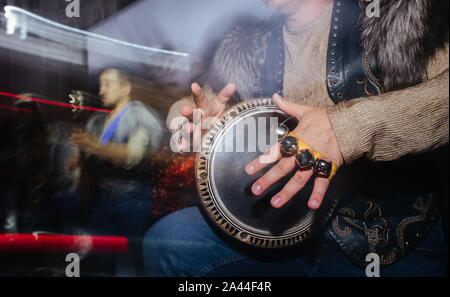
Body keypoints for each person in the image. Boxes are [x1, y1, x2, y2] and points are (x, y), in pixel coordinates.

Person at [143, 0, 448, 276]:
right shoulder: (248, 44)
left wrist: (347, 129)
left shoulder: (396, 18)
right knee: (171, 241)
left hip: (382, 244)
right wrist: (187, 121)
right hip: (281, 236)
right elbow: (195, 103)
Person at [70, 67, 164, 276]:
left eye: (108, 84)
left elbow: (132, 157)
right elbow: (99, 153)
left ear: (125, 88)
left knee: (138, 258)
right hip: (104, 199)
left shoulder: (140, 116)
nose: (101, 91)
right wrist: (80, 159)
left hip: (132, 200)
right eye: (100, 85)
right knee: (99, 254)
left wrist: (93, 146)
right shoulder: (100, 120)